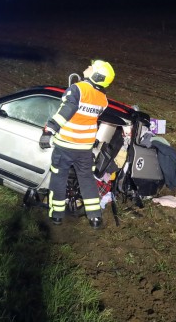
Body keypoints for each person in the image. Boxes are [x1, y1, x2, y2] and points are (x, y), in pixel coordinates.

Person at [39, 59, 115, 229]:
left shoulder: (77, 89)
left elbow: (66, 111)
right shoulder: (103, 100)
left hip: (65, 146)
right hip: (85, 149)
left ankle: (56, 216)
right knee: (87, 180)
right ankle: (95, 217)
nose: (87, 67)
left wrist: (49, 130)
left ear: (96, 74)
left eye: (91, 67)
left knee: (59, 179)